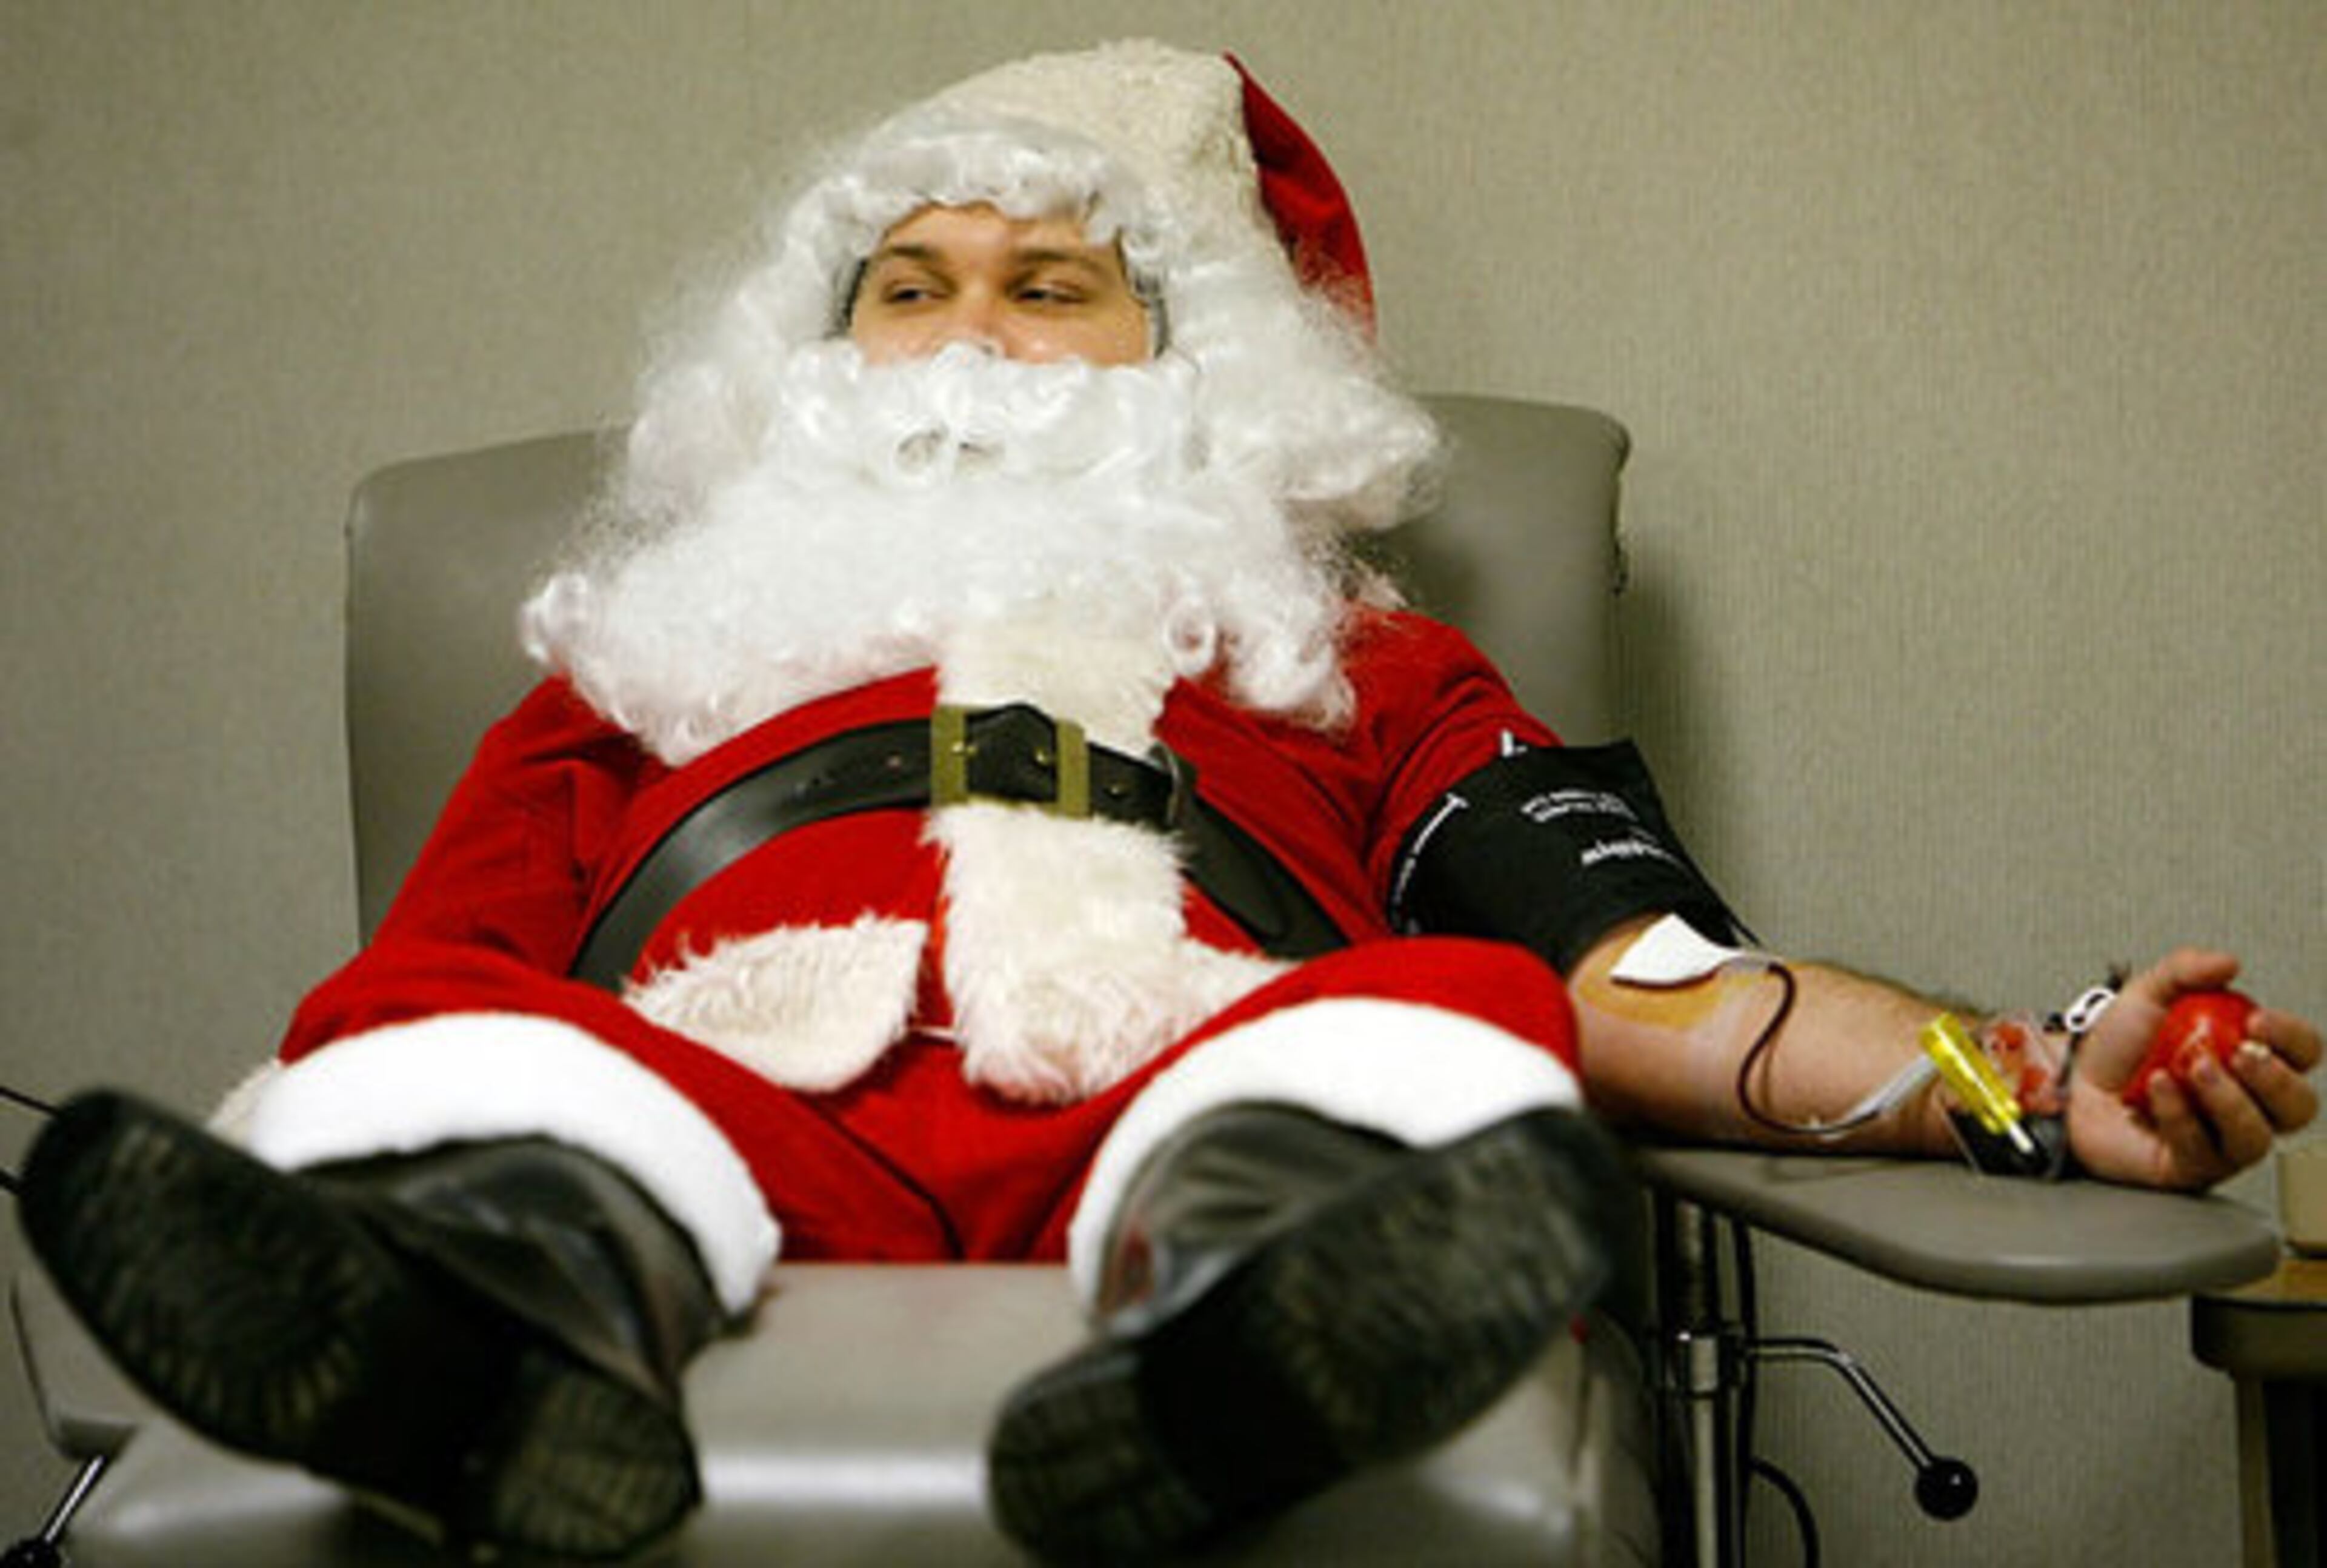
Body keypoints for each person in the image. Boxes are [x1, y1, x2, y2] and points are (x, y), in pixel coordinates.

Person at [18, 39, 2319, 1567]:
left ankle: (1250, 1326)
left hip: (1184, 1053)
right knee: (485, 1083)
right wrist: (400, 1100)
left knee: (1413, 1030)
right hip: (718, 1087)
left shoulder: (1363, 653)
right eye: (905, 289)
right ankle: (485, 1331)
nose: (970, 331)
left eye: (1052, 284)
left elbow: (1653, 983)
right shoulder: (626, 654)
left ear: (1194, 366)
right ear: (817, 370)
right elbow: (435, 984)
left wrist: (2008, 1077)